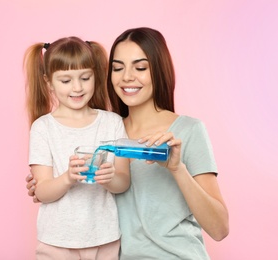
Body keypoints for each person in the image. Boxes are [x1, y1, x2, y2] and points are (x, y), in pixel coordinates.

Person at [26, 28, 229, 259]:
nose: (127, 77)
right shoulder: (106, 130)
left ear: (159, 71)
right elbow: (54, 182)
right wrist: (51, 182)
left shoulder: (188, 131)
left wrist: (177, 169)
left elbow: (219, 228)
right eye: (118, 68)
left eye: (140, 68)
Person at [24, 36, 130, 260]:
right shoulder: (43, 128)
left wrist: (109, 178)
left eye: (85, 77)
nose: (77, 87)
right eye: (65, 81)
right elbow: (42, 191)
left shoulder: (112, 123)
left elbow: (123, 183)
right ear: (48, 82)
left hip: (105, 238)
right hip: (56, 242)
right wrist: (68, 177)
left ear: (95, 76)